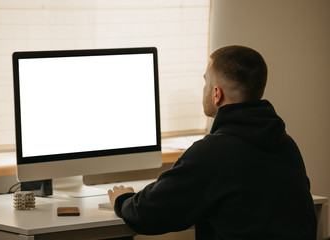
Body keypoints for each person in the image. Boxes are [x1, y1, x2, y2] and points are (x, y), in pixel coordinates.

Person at [108, 45, 317, 240]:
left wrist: (123, 200)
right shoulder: (286, 144)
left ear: (217, 93)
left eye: (206, 81)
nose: (204, 88)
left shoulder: (212, 153)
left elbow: (148, 213)